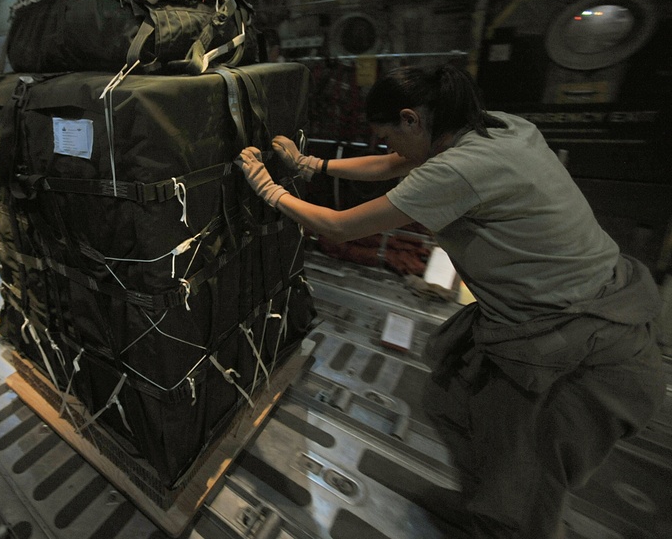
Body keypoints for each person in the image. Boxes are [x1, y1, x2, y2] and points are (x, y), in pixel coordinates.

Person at [236, 63, 664, 538]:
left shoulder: (460, 169)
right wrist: (313, 165)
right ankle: (485, 504)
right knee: (448, 397)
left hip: (580, 346)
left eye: (390, 137)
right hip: (560, 312)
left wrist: (270, 190)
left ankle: (502, 519)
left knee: (522, 483)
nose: (389, 150)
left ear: (411, 119)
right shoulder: (497, 127)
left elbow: (339, 225)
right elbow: (397, 164)